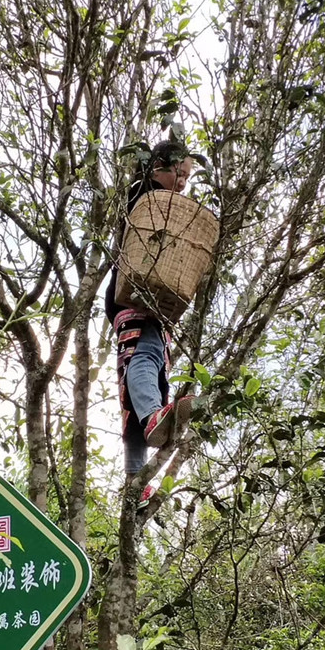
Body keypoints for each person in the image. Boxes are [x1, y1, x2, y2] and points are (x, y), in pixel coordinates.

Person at [105, 140, 196, 495]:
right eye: (179, 172)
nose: (183, 182)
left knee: (144, 382)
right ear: (158, 166)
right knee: (145, 356)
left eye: (188, 177)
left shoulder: (154, 201)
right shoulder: (145, 197)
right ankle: (154, 415)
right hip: (137, 300)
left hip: (146, 305)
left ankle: (135, 478)